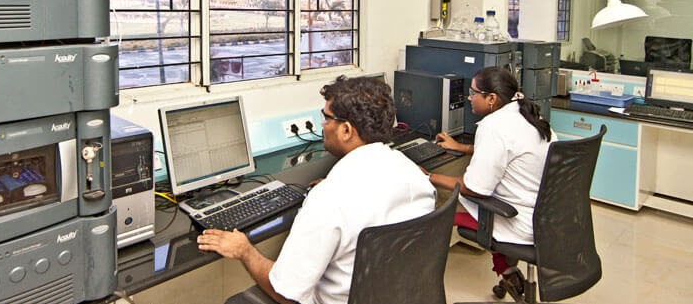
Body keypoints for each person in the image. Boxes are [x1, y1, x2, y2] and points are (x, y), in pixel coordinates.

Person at [197, 75, 436, 304]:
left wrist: (245, 250)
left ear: (346, 130)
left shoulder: (329, 199)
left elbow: (286, 294)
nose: (323, 126)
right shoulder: (414, 174)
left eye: (326, 119)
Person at [424, 66, 555, 297]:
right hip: (548, 216)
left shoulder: (493, 127)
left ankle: (420, 284)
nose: (469, 97)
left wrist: (427, 176)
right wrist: (462, 148)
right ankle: (509, 272)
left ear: (492, 98)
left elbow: (474, 189)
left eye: (473, 92)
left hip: (519, 220)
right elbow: (509, 153)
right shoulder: (528, 116)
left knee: (438, 210)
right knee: (479, 201)